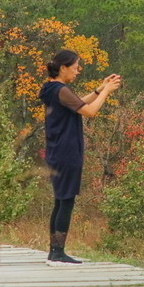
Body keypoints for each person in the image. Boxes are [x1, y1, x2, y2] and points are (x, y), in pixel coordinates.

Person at [39, 49, 121, 266]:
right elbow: (89, 111)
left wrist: (99, 89)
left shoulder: (52, 88)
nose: (78, 71)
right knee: (66, 200)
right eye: (75, 67)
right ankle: (57, 253)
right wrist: (107, 92)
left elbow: (78, 105)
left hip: (57, 151)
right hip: (66, 151)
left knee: (61, 200)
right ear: (63, 68)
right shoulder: (61, 89)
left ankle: (55, 251)